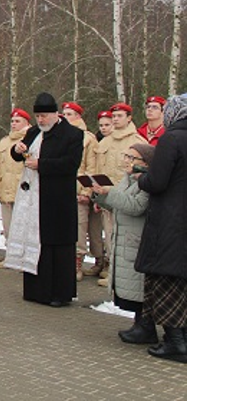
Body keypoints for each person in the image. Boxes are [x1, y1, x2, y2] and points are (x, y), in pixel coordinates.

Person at [8, 92, 84, 307]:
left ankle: (59, 293)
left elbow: (71, 164)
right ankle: (36, 291)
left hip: (58, 199)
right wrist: (17, 149)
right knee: (37, 242)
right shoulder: (33, 132)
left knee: (57, 246)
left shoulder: (73, 134)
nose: (41, 120)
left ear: (56, 114)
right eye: (38, 116)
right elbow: (16, 156)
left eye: (44, 116)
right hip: (33, 198)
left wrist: (42, 165)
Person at [135, 93, 187, 363]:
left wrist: (141, 177)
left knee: (165, 280)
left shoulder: (172, 138)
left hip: (170, 221)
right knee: (184, 281)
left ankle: (175, 342)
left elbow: (158, 181)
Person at [90, 143, 157, 345]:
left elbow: (136, 206)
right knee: (130, 284)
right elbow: (117, 201)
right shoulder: (127, 179)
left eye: (132, 157)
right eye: (127, 156)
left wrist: (110, 192)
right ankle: (139, 324)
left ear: (145, 162)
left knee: (138, 285)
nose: (127, 160)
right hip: (123, 236)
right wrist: (100, 195)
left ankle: (146, 326)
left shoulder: (146, 182)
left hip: (135, 239)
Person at [89, 103, 146, 280]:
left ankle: (118, 273)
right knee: (109, 235)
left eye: (120, 116)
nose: (115, 119)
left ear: (129, 118)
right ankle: (107, 266)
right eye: (113, 116)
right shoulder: (105, 141)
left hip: (127, 197)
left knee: (123, 239)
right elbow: (98, 168)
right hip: (106, 196)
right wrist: (97, 195)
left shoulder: (137, 141)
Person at [62, 101, 100, 282]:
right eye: (64, 113)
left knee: (79, 228)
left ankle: (77, 261)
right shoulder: (59, 135)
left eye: (69, 114)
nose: (65, 117)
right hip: (61, 188)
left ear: (78, 117)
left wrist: (86, 191)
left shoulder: (88, 139)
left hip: (77, 189)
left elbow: (91, 168)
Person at [0, 109, 32, 269]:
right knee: (8, 226)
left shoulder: (31, 139)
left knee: (24, 226)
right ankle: (11, 255)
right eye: (13, 121)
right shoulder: (4, 142)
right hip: (5, 189)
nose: (14, 124)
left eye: (18, 121)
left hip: (23, 189)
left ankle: (25, 258)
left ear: (26, 123)